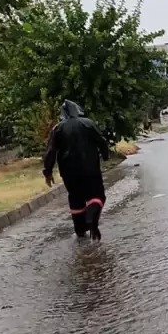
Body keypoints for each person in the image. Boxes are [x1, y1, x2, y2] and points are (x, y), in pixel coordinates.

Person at [43, 100, 110, 240]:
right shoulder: (88, 123)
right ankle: (91, 219)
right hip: (90, 168)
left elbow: (50, 152)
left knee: (75, 197)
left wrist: (47, 172)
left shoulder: (57, 128)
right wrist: (105, 156)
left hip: (68, 172)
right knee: (97, 195)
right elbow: (101, 141)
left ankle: (80, 230)